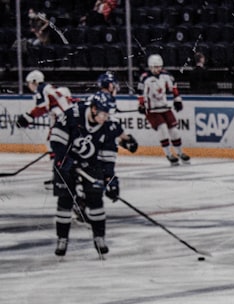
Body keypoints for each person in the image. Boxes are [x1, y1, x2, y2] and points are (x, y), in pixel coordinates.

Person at [48, 91, 123, 257]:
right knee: (65, 200)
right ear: (94, 109)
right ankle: (62, 239)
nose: (105, 117)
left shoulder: (109, 126)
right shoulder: (72, 115)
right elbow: (56, 141)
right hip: (66, 162)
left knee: (95, 199)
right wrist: (63, 159)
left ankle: (99, 237)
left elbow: (108, 156)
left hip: (91, 164)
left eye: (107, 113)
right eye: (103, 113)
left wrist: (110, 179)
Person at [139, 54, 189, 165]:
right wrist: (142, 105)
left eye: (159, 67)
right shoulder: (145, 78)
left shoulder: (166, 76)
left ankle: (180, 152)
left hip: (165, 107)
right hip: (152, 110)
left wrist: (177, 100)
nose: (157, 69)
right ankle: (168, 154)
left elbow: (174, 88)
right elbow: (141, 94)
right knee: (162, 130)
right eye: (154, 67)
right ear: (150, 67)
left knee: (174, 131)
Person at [93, 71, 139, 154]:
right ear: (110, 85)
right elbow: (106, 123)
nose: (115, 88)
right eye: (113, 85)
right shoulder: (107, 99)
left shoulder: (99, 95)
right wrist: (126, 139)